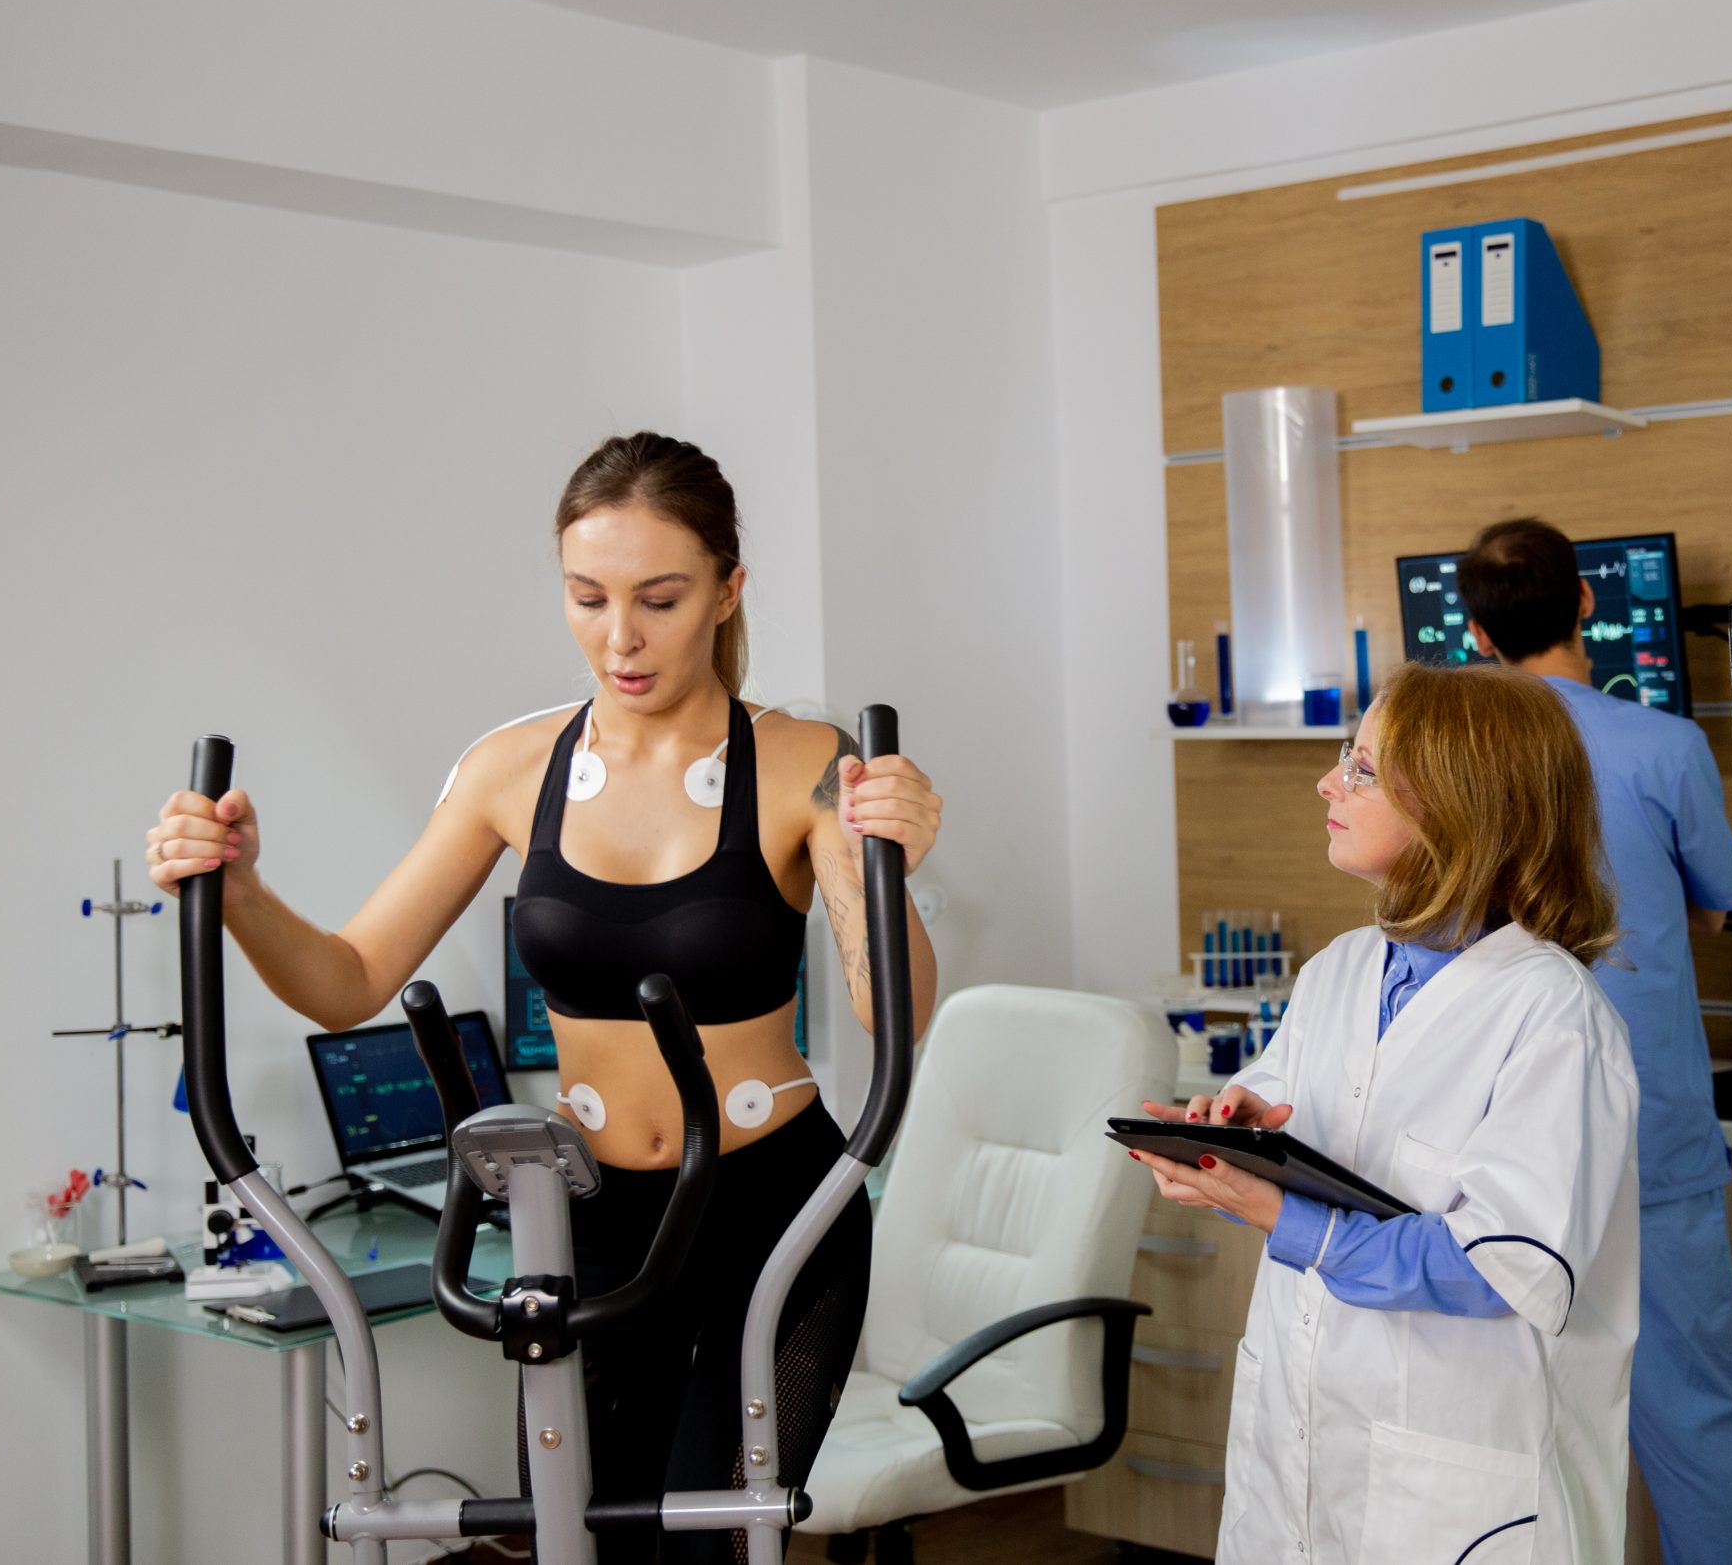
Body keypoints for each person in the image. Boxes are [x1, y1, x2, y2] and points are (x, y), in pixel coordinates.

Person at [142, 432, 942, 1563]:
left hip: (775, 1215)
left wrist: (888, 863)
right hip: (587, 1215)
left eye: (659, 599)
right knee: (574, 1544)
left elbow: (892, 1011)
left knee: (704, 1547)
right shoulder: (510, 771)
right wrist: (238, 890)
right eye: (588, 598)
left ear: (726, 592)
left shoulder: (810, 764)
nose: (620, 637)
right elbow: (347, 980)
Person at [1129, 664, 1640, 1565]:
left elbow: (1507, 1265)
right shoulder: (1341, 969)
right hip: (1302, 1447)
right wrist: (1235, 1130)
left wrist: (1293, 1224)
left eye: (1362, 769)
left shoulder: (1554, 1018)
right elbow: (1287, 1099)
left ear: (1460, 802)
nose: (1328, 783)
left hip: (1457, 1490)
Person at [1458, 516, 1732, 1565]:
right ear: (1587, 602)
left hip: (1496, 1137)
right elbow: (1719, 904)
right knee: (1692, 1428)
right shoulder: (1665, 746)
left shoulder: (1452, 758)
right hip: (1648, 1134)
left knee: (1517, 1437)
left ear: (1473, 632)